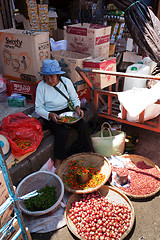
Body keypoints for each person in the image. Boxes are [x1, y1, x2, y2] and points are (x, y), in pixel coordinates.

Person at [35, 59, 94, 167]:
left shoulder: (66, 82)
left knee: (83, 125)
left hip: (66, 110)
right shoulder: (41, 86)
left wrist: (77, 107)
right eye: (46, 77)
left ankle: (89, 151)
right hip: (49, 114)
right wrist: (50, 115)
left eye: (52, 77)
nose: (50, 80)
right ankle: (59, 159)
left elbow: (74, 97)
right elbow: (38, 108)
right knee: (61, 132)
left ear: (58, 75)